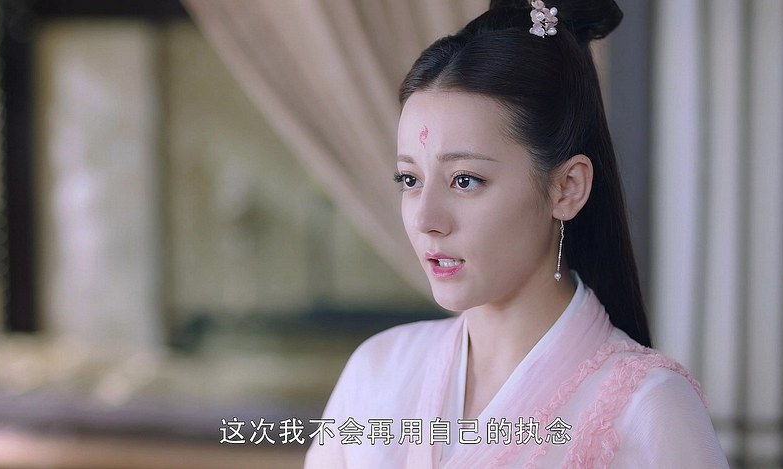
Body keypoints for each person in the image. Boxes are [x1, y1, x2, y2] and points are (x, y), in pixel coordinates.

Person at [305, 0, 729, 467]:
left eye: (465, 180)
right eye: (410, 179)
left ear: (567, 188)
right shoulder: (377, 372)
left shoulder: (648, 408)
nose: (426, 219)